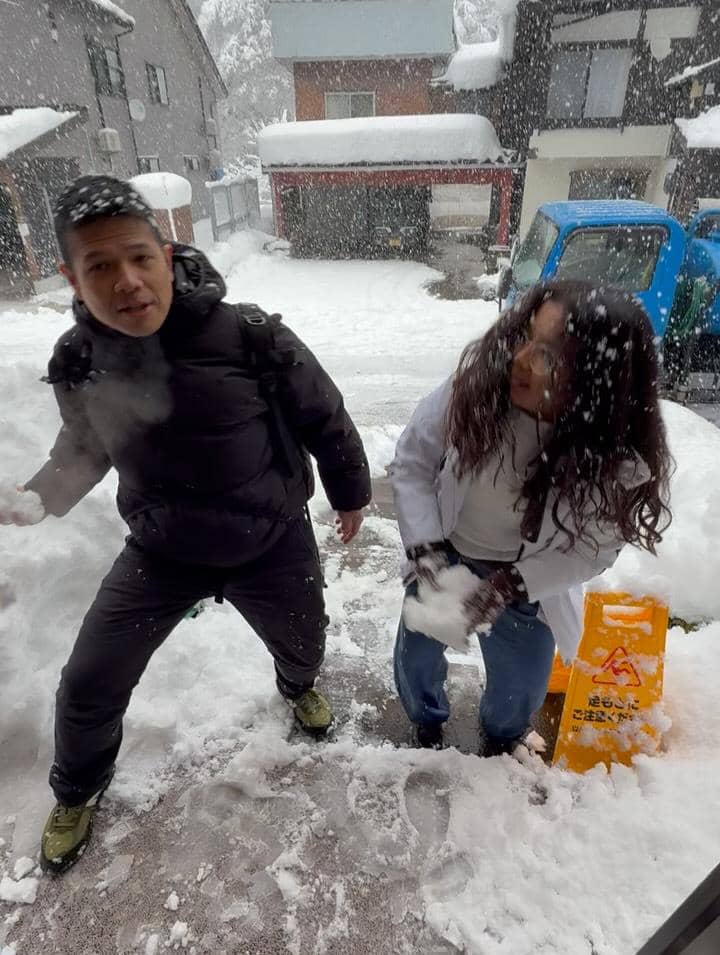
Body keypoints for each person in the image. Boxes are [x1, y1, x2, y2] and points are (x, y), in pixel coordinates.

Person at [0, 175, 371, 873]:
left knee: (304, 641)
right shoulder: (79, 362)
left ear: (167, 254)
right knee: (88, 680)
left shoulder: (251, 334)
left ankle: (296, 687)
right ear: (70, 276)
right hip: (161, 550)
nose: (128, 281)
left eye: (140, 257)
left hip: (270, 539)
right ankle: (78, 789)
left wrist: (349, 492)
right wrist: (33, 500)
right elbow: (82, 451)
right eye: (100, 265)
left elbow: (326, 414)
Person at [391, 280, 672, 753]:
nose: (520, 360)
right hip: (448, 554)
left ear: (593, 382)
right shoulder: (473, 393)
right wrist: (425, 547)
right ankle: (425, 718)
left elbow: (592, 550)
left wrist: (511, 586)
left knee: (520, 686)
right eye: (525, 337)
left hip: (526, 581)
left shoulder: (612, 459)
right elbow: (414, 462)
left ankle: (502, 739)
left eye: (549, 356)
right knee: (416, 655)